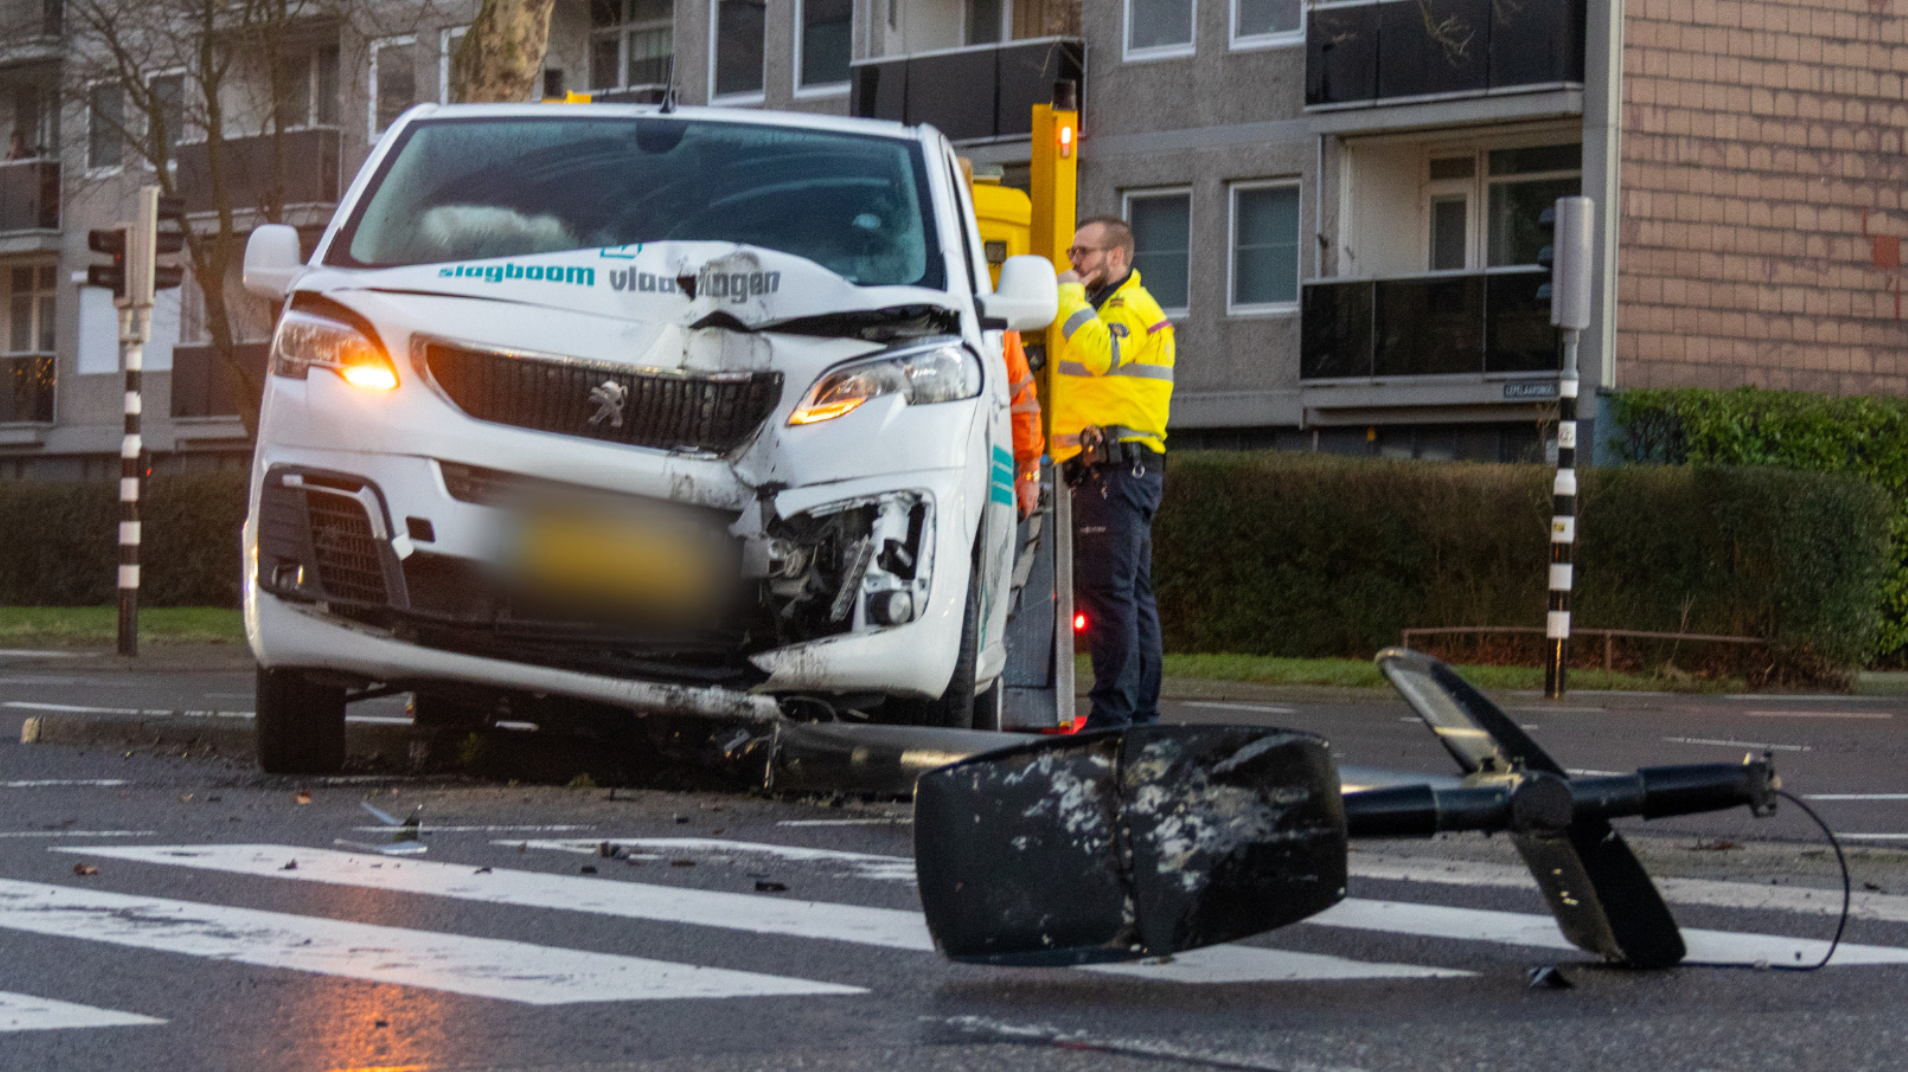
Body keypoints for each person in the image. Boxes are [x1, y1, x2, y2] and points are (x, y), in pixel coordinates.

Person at [1051, 215, 1175, 730]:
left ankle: (1113, 715)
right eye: (1072, 252)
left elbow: (1103, 355)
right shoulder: (1104, 307)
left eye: (1084, 253)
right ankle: (1137, 713)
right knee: (1129, 595)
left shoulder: (1132, 308)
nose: (1074, 262)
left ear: (1117, 258)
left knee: (1109, 596)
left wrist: (1067, 298)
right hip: (1115, 472)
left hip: (1118, 471)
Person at [1003, 329, 1043, 519]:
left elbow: (1022, 399)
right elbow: (1022, 398)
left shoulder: (998, 321)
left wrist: (1030, 472)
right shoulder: (996, 316)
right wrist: (1030, 472)